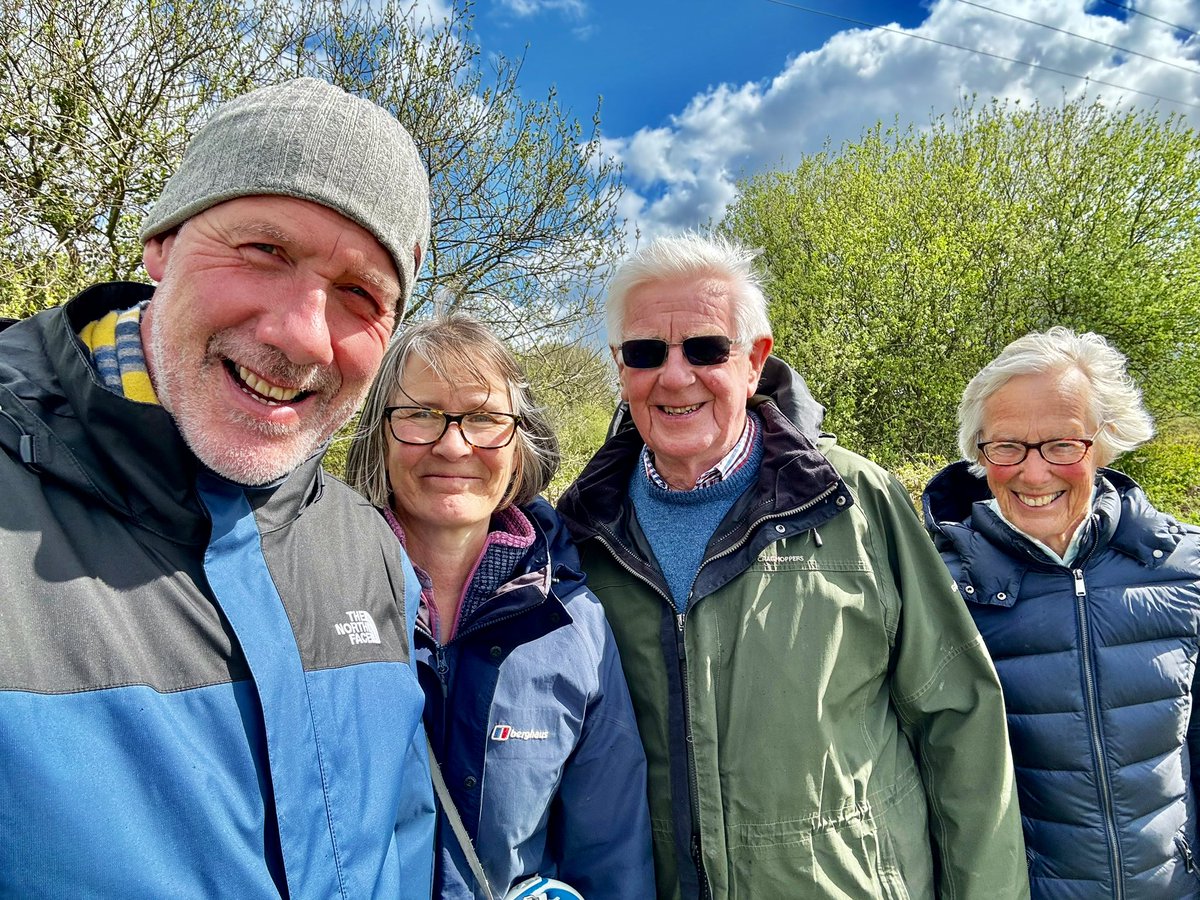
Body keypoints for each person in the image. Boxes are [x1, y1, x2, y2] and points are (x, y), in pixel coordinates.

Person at [0, 78, 437, 898]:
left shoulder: (368, 546)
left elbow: (404, 840)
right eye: (265, 250)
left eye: (361, 295)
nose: (301, 333)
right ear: (161, 243)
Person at [556, 232, 1030, 899]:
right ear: (619, 365)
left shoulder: (856, 500)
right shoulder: (578, 535)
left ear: (754, 361)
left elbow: (960, 720)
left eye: (705, 348)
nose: (674, 374)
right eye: (644, 353)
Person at [344, 314, 655, 900]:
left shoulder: (573, 623)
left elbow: (611, 854)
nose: (454, 444)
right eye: (421, 414)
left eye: (485, 419)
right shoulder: (318, 596)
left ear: (519, 445)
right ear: (378, 435)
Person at [922, 327, 1200, 899]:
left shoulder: (1185, 568)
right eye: (1007, 446)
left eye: (1062, 444)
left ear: (1105, 441)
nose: (1034, 471)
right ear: (980, 453)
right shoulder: (934, 589)